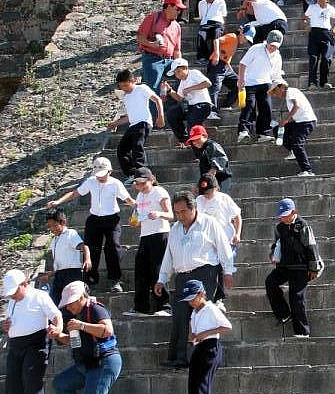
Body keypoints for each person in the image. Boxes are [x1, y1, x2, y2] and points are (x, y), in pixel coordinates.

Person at [155, 191, 235, 369]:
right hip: (182, 275)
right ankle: (179, 357)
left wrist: (228, 271)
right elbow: (168, 256)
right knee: (180, 315)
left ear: (193, 208)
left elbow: (223, 248)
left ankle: (203, 357)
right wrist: (162, 279)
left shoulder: (209, 223)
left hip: (204, 273)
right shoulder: (175, 229)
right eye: (177, 212)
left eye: (183, 212)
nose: (180, 216)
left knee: (200, 313)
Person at [50, 280, 121, 394]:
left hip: (104, 362)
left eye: (71, 302)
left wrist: (81, 325)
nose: (68, 306)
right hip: (86, 364)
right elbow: (73, 342)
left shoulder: (96, 309)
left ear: (82, 297)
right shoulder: (75, 316)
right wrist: (57, 335)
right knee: (61, 384)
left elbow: (107, 330)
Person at [48, 157, 135, 293]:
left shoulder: (116, 184)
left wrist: (139, 205)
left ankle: (115, 280)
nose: (100, 178)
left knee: (113, 247)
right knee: (91, 249)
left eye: (103, 175)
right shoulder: (90, 182)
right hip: (94, 219)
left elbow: (128, 199)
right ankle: (90, 281)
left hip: (112, 219)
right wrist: (59, 201)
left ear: (110, 172)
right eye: (98, 175)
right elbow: (75, 193)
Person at [1, 269, 62, 394]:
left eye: (15, 291)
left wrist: (57, 328)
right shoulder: (13, 302)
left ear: (25, 284)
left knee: (31, 378)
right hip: (15, 344)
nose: (12, 295)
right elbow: (10, 321)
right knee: (13, 381)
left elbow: (56, 314)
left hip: (36, 342)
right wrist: (6, 327)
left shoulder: (38, 296)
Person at [181, 279, 232, 394]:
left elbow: (227, 326)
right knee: (193, 384)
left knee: (203, 382)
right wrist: (192, 335)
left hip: (210, 346)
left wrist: (205, 333)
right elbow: (192, 333)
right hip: (199, 347)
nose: (191, 302)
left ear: (201, 294)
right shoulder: (194, 312)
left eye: (193, 298)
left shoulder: (211, 308)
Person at [265, 198, 321, 337]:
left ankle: (302, 332)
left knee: (296, 297)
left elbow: (311, 246)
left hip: (301, 267)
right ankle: (283, 314)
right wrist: (273, 255)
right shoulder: (279, 227)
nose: (283, 218)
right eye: (281, 216)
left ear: (294, 212)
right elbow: (276, 245)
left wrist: (313, 268)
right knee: (270, 282)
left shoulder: (302, 226)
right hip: (284, 266)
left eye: (285, 215)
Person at [124, 167, 173, 317]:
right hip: (145, 235)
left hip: (160, 234)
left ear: (151, 180)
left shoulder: (160, 192)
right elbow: (137, 216)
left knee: (157, 270)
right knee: (141, 271)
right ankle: (140, 307)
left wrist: (158, 213)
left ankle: (164, 306)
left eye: (143, 183)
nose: (140, 187)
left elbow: (170, 215)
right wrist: (133, 221)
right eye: (137, 184)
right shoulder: (139, 196)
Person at [109, 69, 165, 185]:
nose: (124, 88)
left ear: (133, 80)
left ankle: (144, 174)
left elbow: (157, 99)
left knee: (137, 146)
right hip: (133, 125)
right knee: (122, 149)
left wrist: (160, 116)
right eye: (121, 86)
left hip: (143, 123)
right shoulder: (126, 97)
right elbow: (129, 117)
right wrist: (115, 123)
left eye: (126, 85)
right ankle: (131, 174)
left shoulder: (141, 88)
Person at [196, 173, 242, 301]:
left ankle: (219, 298)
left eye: (209, 191)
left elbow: (237, 217)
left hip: (226, 239)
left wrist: (237, 234)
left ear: (216, 188)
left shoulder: (224, 199)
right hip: (208, 241)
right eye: (204, 192)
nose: (207, 195)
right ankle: (210, 296)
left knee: (223, 267)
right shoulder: (199, 201)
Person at [136, 0, 184, 115]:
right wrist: (152, 44)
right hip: (152, 58)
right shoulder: (153, 18)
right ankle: (154, 118)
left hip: (169, 60)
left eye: (179, 10)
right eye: (177, 9)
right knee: (154, 89)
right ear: (168, 6)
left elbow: (177, 50)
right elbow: (140, 38)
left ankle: (180, 107)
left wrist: (180, 65)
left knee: (186, 77)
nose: (178, 12)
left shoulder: (177, 26)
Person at [237, 29, 284, 144]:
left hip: (266, 83)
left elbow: (276, 74)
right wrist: (241, 79)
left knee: (266, 108)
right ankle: (243, 131)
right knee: (249, 106)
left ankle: (263, 132)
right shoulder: (256, 48)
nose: (273, 48)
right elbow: (243, 64)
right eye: (271, 45)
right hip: (250, 82)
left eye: (276, 46)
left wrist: (281, 84)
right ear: (267, 42)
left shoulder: (277, 56)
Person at [40, 208, 91, 306]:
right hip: (59, 275)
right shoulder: (54, 240)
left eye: (55, 225)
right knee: (55, 300)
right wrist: (50, 275)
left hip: (72, 273)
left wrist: (87, 259)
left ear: (63, 222)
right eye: (50, 226)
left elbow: (83, 246)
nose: (52, 229)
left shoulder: (70, 234)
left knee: (72, 301)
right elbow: (60, 262)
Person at [269, 79, 317, 177]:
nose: (276, 95)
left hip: (306, 122)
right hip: (299, 122)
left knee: (297, 144)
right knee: (277, 130)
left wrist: (285, 120)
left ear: (281, 87)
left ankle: (307, 170)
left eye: (275, 91)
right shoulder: (289, 95)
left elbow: (296, 106)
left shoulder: (290, 91)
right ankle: (293, 151)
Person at [162, 58, 212, 145]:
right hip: (191, 107)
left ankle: (198, 150)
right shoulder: (182, 82)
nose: (177, 75)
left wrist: (191, 88)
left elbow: (208, 83)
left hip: (202, 105)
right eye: (175, 73)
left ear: (185, 68)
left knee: (192, 127)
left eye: (178, 71)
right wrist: (169, 90)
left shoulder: (194, 73)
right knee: (172, 113)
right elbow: (179, 98)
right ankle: (183, 139)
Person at [208, 25, 254, 116]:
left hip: (225, 66)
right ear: (241, 33)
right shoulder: (232, 37)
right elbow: (216, 40)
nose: (245, 41)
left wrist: (230, 69)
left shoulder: (236, 43)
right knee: (215, 88)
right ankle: (211, 111)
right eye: (245, 38)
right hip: (217, 64)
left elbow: (228, 58)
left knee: (238, 83)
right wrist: (216, 55)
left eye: (247, 40)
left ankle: (226, 104)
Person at [302, 0, 335, 89]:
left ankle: (324, 82)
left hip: (326, 34)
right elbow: (304, 18)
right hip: (314, 33)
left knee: (326, 58)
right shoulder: (312, 7)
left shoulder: (330, 8)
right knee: (313, 58)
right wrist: (306, 26)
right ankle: (312, 83)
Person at [185, 125, 232, 193]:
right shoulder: (202, 150)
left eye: (197, 139)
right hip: (210, 180)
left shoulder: (212, 145)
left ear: (205, 136)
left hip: (220, 179)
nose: (195, 142)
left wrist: (208, 177)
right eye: (193, 141)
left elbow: (219, 160)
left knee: (218, 199)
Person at [196, 0, 227, 70]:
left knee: (216, 34)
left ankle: (215, 55)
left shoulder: (221, 2)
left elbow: (224, 15)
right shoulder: (201, 3)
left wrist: (224, 27)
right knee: (201, 35)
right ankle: (203, 57)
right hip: (205, 23)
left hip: (217, 22)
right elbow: (202, 16)